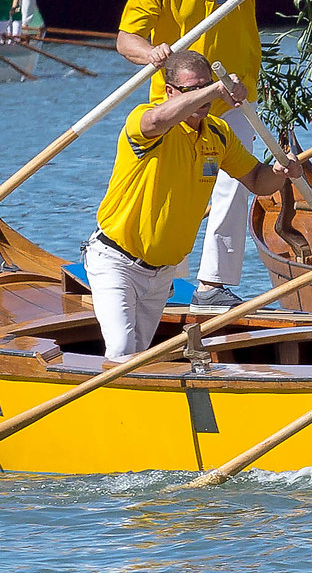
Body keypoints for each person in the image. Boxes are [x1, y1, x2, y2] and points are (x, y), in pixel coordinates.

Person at [117, 0, 311, 307]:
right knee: (173, 188)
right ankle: (159, 274)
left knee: (234, 188)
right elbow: (125, 38)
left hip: (236, 94)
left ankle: (214, 285)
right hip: (179, 102)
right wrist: (150, 53)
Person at [86, 50, 288, 361]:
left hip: (161, 272)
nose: (203, 98)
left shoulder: (218, 134)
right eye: (192, 90)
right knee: (122, 352)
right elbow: (157, 119)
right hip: (116, 261)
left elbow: (258, 181)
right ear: (170, 92)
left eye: (206, 86)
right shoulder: (146, 121)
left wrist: (281, 171)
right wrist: (215, 89)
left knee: (142, 355)